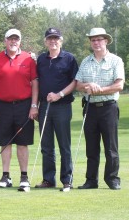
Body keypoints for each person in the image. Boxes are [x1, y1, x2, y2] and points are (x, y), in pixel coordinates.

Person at [75, 28, 125, 190]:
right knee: (91, 147)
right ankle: (91, 180)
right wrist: (88, 86)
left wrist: (100, 90)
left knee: (111, 147)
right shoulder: (85, 61)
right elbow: (78, 85)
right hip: (89, 108)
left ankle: (112, 178)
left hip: (108, 107)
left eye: (99, 40)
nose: (96, 43)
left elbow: (119, 85)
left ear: (106, 41)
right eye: (93, 40)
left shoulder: (115, 61)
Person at [0, 28, 38, 190]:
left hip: (24, 105)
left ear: (20, 42)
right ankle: (5, 176)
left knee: (22, 143)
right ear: (5, 41)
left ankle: (24, 177)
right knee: (5, 142)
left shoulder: (28, 59)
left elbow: (35, 83)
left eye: (16, 39)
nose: (13, 42)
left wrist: (33, 105)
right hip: (2, 105)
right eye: (10, 39)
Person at [35, 27, 78, 191]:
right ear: (45, 41)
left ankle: (67, 179)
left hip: (62, 106)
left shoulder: (69, 58)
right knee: (46, 146)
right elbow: (37, 83)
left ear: (61, 41)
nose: (53, 41)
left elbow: (75, 82)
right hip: (45, 106)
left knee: (64, 145)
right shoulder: (41, 59)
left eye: (56, 38)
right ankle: (48, 179)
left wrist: (59, 94)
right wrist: (36, 105)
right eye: (50, 38)